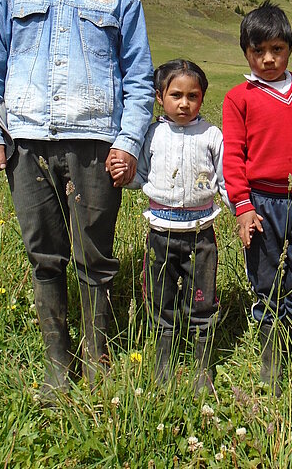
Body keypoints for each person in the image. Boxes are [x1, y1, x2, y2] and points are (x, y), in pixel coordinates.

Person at [0, 0, 154, 400]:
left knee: (96, 258)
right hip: (26, 143)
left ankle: (96, 362)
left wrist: (129, 141)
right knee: (44, 257)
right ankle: (58, 364)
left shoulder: (120, 0)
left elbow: (139, 79)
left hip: (96, 145)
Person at [222, 1, 292, 396]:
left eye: (277, 50)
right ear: (246, 52)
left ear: (289, 48)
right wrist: (243, 207)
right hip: (262, 204)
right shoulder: (239, 97)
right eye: (258, 51)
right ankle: (271, 360)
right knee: (266, 280)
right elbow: (233, 155)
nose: (268, 59)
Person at [111, 59, 230, 393]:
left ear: (202, 98)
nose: (184, 103)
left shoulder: (211, 135)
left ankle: (201, 363)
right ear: (159, 96)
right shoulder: (152, 134)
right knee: (160, 298)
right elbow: (142, 175)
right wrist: (125, 177)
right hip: (159, 234)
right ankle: (164, 355)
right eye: (176, 94)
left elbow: (225, 180)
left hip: (201, 235)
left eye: (193, 96)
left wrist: (241, 209)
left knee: (202, 299)